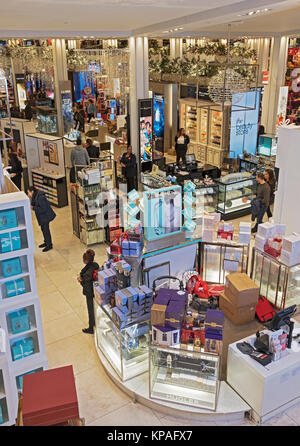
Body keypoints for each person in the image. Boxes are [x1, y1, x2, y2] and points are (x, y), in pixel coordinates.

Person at [27, 186, 56, 252]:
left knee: (46, 230)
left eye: (28, 192)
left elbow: (43, 209)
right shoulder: (35, 196)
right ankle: (46, 242)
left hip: (45, 217)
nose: (28, 194)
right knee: (43, 229)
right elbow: (34, 203)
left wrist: (33, 208)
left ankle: (49, 245)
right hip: (42, 217)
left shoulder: (40, 197)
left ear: (32, 191)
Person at [77, 249, 99, 334]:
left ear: (86, 260)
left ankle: (91, 328)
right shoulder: (95, 265)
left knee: (90, 309)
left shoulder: (87, 274)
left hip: (90, 292)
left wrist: (80, 281)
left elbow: (86, 285)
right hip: (96, 289)